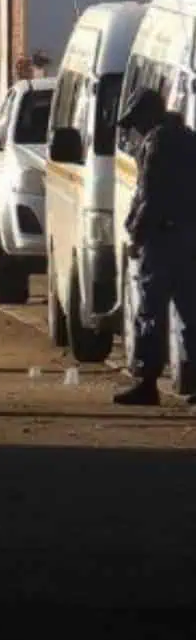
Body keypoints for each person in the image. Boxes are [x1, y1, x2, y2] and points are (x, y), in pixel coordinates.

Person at [112, 88, 196, 407]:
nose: (135, 130)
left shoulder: (156, 143)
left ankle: (147, 382)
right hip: (189, 236)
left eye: (136, 121)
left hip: (162, 239)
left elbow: (149, 196)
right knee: (191, 311)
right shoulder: (189, 138)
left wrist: (136, 232)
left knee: (150, 311)